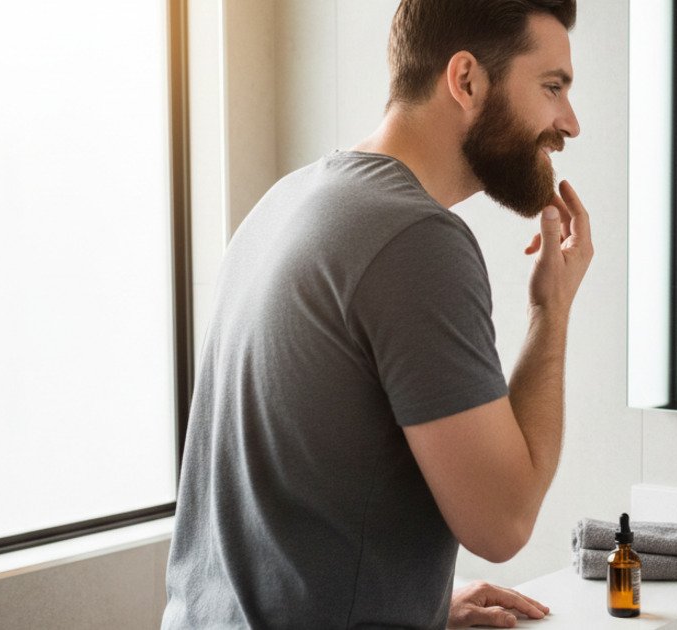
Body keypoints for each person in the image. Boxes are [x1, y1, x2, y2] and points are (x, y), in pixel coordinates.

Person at [161, 0, 592, 627]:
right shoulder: (416, 238)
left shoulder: (287, 203)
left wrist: (409, 603)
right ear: (465, 79)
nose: (569, 123)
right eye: (552, 87)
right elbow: (504, 522)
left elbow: (284, 500)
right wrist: (550, 311)